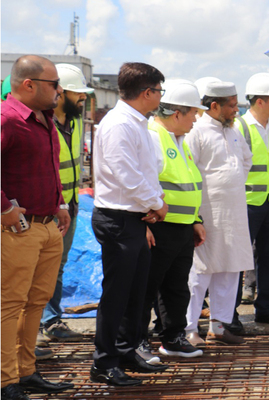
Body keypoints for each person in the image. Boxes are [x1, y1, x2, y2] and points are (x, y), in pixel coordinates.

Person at [90, 62, 169, 386]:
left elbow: (148, 171)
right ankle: (103, 362)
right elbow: (127, 175)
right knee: (117, 295)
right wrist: (156, 204)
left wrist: (151, 204)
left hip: (135, 217)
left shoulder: (138, 123)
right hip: (118, 218)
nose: (161, 97)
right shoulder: (120, 124)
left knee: (136, 293)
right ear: (147, 92)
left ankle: (125, 351)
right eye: (159, 91)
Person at [1, 55, 74, 399]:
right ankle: (5, 381)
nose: (60, 91)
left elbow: (47, 169)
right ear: (28, 84)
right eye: (54, 84)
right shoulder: (7, 120)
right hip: (18, 229)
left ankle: (26, 371)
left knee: (36, 302)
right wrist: (5, 210)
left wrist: (59, 203)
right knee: (10, 304)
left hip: (46, 226)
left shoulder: (44, 120)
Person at [138, 79, 207, 360]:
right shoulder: (152, 137)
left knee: (176, 286)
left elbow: (187, 184)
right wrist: (142, 226)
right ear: (177, 113)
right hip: (159, 227)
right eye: (193, 113)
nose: (196, 119)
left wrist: (196, 219)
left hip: (181, 227)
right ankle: (137, 340)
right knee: (146, 287)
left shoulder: (180, 141)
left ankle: (173, 337)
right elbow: (142, 184)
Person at [184, 82, 252, 346]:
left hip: (234, 211)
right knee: (200, 271)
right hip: (206, 212)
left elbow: (246, 160)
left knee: (230, 268)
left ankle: (218, 327)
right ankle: (189, 328)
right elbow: (189, 171)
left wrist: (229, 184)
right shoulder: (197, 132)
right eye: (232, 106)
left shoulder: (233, 131)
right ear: (214, 106)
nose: (236, 110)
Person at [39, 64, 93, 346]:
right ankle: (36, 326)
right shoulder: (41, 122)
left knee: (57, 266)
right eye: (79, 96)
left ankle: (50, 319)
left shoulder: (75, 122)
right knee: (36, 268)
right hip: (44, 208)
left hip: (68, 207)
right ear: (60, 93)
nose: (83, 101)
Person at [235, 73, 269, 326]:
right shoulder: (239, 127)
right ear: (259, 101)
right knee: (238, 261)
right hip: (247, 203)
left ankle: (266, 309)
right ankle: (229, 314)